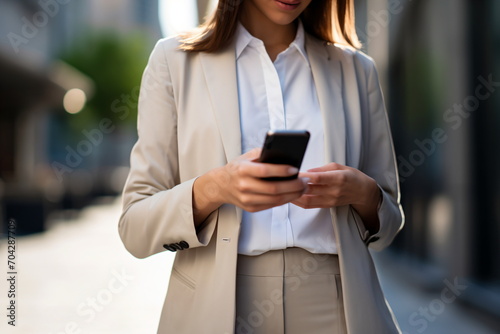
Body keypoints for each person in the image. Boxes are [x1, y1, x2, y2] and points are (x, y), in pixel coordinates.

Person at [118, 0, 404, 333]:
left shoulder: (356, 70)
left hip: (338, 306)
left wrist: (363, 193)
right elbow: (134, 226)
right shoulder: (174, 61)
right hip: (219, 305)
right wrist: (215, 187)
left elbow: (390, 222)